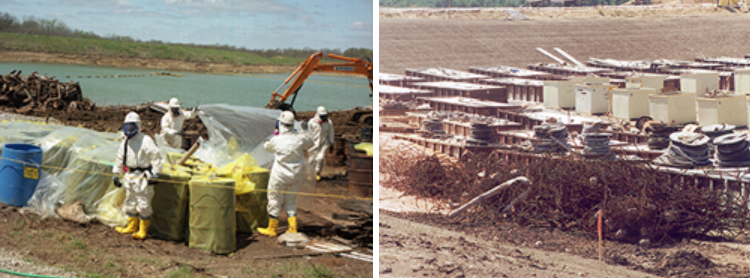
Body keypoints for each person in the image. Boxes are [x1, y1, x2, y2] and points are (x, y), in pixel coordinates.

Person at [257, 111, 314, 237]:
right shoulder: (299, 138)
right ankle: (292, 228)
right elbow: (310, 143)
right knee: (291, 201)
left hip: (280, 175)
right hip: (296, 175)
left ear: (280, 124)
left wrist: (273, 135)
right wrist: (305, 132)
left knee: (274, 199)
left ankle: (272, 228)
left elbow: (267, 146)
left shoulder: (277, 140)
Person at [113, 112, 163, 240]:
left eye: (132, 126)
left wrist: (156, 173)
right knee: (130, 200)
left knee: (143, 203)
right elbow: (120, 158)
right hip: (129, 175)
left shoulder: (145, 140)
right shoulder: (124, 141)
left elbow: (155, 156)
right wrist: (116, 174)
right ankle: (131, 226)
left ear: (138, 126)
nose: (129, 129)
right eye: (127, 127)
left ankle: (143, 230)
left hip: (143, 176)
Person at [307, 106, 334, 181]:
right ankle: (310, 174)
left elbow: (331, 132)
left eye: (325, 115)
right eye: (322, 116)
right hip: (313, 143)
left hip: (323, 143)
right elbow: (307, 133)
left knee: (320, 158)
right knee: (311, 160)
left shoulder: (328, 123)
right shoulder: (312, 122)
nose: (324, 117)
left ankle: (317, 173)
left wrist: (331, 142)